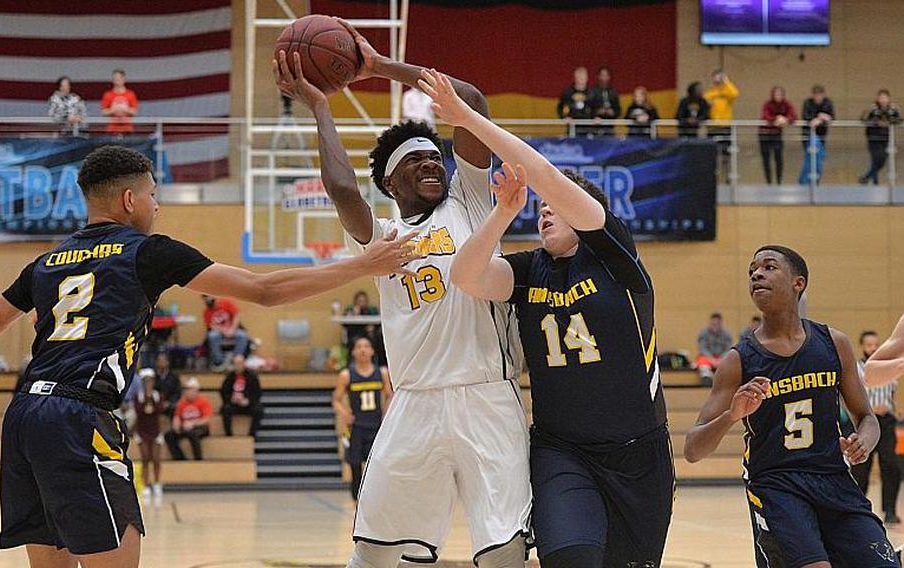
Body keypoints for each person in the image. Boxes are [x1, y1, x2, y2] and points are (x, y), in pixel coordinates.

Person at [0, 144, 416, 566]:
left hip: (23, 414)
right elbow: (263, 290)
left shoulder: (46, 262)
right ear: (129, 200)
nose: (156, 206)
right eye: (153, 195)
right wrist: (361, 266)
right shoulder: (148, 251)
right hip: (78, 416)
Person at [275, 21, 529, 567]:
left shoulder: (470, 204)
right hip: (414, 401)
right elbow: (342, 187)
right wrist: (321, 104)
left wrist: (381, 67)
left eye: (434, 156)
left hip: (487, 393)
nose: (431, 163)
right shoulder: (383, 236)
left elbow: (474, 101)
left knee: (504, 552)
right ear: (392, 183)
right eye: (415, 161)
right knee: (373, 553)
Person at [419, 69, 673, 568]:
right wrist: (500, 216)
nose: (545, 210)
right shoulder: (529, 267)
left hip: (639, 453)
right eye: (540, 210)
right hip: (563, 452)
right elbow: (467, 276)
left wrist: (466, 117)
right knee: (571, 558)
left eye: (555, 206)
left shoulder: (616, 258)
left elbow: (545, 175)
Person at [684, 246, 897, 568]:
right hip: (775, 484)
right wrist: (733, 414)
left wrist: (864, 441)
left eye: (769, 267)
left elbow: (866, 416)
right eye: (752, 270)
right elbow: (692, 449)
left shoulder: (833, 343)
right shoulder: (739, 360)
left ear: (799, 283)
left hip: (833, 478)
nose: (756, 274)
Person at [332, 336, 393, 503]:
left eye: (366, 346)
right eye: (359, 347)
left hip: (376, 425)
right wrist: (344, 414)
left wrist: (386, 414)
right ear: (353, 352)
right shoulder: (346, 375)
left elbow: (390, 395)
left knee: (377, 463)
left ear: (372, 351)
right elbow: (336, 399)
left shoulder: (381, 373)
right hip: (356, 426)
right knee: (355, 462)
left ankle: (377, 496)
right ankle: (356, 499)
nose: (363, 350)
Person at [852, 331, 901, 524]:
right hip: (864, 421)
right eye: (868, 345)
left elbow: (891, 394)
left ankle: (889, 510)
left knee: (891, 465)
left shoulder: (887, 366)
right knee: (861, 467)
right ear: (862, 346)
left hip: (887, 422)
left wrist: (894, 410)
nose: (872, 348)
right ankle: (857, 509)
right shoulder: (855, 368)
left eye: (875, 344)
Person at [132, 372, 167, 502]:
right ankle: (146, 485)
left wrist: (152, 407)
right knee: (145, 458)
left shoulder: (158, 396)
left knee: (156, 459)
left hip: (155, 431)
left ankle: (157, 483)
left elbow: (160, 408)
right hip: (142, 431)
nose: (148, 384)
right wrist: (145, 405)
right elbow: (138, 410)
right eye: (146, 381)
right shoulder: (139, 396)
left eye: (150, 381)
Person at [859, 89, 902, 185]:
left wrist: (890, 122)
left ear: (889, 98)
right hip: (873, 138)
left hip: (887, 139)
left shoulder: (893, 108)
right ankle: (875, 182)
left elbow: (900, 119)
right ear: (878, 98)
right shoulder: (872, 108)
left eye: (885, 98)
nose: (883, 100)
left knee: (881, 160)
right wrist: (876, 122)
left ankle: (866, 177)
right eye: (881, 97)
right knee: (876, 159)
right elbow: (863, 118)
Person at [165, 377, 213, 461]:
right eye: (186, 390)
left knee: (192, 434)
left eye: (190, 389)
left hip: (200, 427)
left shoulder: (203, 401)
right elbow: (177, 416)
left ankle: (198, 459)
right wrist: (176, 425)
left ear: (196, 390)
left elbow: (206, 419)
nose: (187, 392)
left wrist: (193, 423)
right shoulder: (182, 402)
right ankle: (180, 458)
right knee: (169, 435)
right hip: (185, 427)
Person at [759, 86, 797, 185]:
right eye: (776, 94)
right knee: (766, 159)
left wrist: (785, 119)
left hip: (777, 135)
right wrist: (776, 118)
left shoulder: (786, 104)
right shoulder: (767, 104)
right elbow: (765, 115)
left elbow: (793, 115)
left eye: (780, 94)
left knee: (778, 158)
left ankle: (779, 181)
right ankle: (769, 182)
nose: (778, 96)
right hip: (764, 134)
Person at [202, 295, 250, 371]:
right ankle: (220, 361)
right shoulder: (206, 312)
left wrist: (232, 329)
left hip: (233, 330)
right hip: (219, 333)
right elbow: (211, 326)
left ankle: (236, 360)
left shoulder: (226, 303)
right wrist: (224, 331)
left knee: (242, 335)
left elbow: (236, 316)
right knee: (212, 336)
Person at [220, 354, 263, 438]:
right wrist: (231, 399)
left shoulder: (252, 376)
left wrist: (248, 401)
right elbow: (224, 392)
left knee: (259, 410)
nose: (238, 366)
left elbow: (257, 393)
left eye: (240, 363)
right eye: (236, 363)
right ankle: (229, 434)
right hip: (234, 404)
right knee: (225, 409)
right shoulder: (229, 377)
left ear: (244, 364)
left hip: (247, 404)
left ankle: (252, 434)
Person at [704, 69, 740, 161]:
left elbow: (734, 94)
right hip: (712, 127)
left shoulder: (727, 93)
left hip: (725, 125)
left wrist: (726, 81)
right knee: (711, 153)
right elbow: (705, 102)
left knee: (726, 152)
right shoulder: (709, 94)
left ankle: (727, 174)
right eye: (716, 77)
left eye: (720, 77)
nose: (718, 79)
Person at [557, 66, 596, 137]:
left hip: (588, 127)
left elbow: (595, 108)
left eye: (583, 77)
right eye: (579, 77)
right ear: (575, 78)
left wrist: (596, 117)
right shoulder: (568, 93)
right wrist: (564, 117)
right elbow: (560, 107)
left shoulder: (592, 93)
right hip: (573, 127)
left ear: (587, 78)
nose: (581, 80)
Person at [696, 313, 733, 382]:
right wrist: (711, 359)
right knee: (701, 360)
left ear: (721, 324)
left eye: (717, 324)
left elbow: (728, 348)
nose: (715, 326)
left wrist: (720, 359)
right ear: (710, 323)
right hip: (708, 357)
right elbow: (702, 348)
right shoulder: (703, 333)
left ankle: (725, 379)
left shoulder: (727, 334)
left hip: (722, 357)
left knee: (731, 360)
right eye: (713, 324)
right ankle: (706, 377)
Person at [101, 69, 138, 135]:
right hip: (112, 130)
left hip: (127, 129)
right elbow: (104, 112)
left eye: (119, 78)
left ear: (124, 79)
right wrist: (114, 110)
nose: (117, 80)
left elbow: (134, 111)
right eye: (115, 78)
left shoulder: (130, 94)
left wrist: (125, 109)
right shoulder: (108, 95)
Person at [591, 66, 620, 136]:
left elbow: (618, 110)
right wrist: (597, 112)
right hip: (596, 128)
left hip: (610, 128)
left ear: (609, 77)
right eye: (602, 75)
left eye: (606, 75)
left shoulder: (614, 92)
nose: (604, 78)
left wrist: (613, 112)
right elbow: (588, 109)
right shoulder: (592, 92)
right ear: (598, 77)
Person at [154, 352, 180, 416]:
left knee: (175, 408)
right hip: (156, 403)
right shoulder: (154, 377)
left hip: (170, 404)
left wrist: (170, 402)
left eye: (163, 361)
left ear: (167, 362)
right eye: (159, 361)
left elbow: (177, 392)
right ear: (156, 362)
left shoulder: (174, 377)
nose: (161, 363)